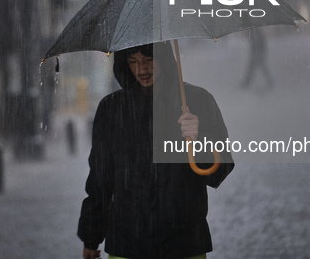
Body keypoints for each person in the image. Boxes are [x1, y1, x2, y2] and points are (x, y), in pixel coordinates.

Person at [78, 42, 234, 259]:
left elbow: (220, 169)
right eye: (133, 62)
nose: (142, 69)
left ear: (165, 61)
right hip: (127, 244)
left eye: (149, 60)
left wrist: (200, 140)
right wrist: (91, 236)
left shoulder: (197, 101)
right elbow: (100, 179)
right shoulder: (111, 109)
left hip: (184, 244)